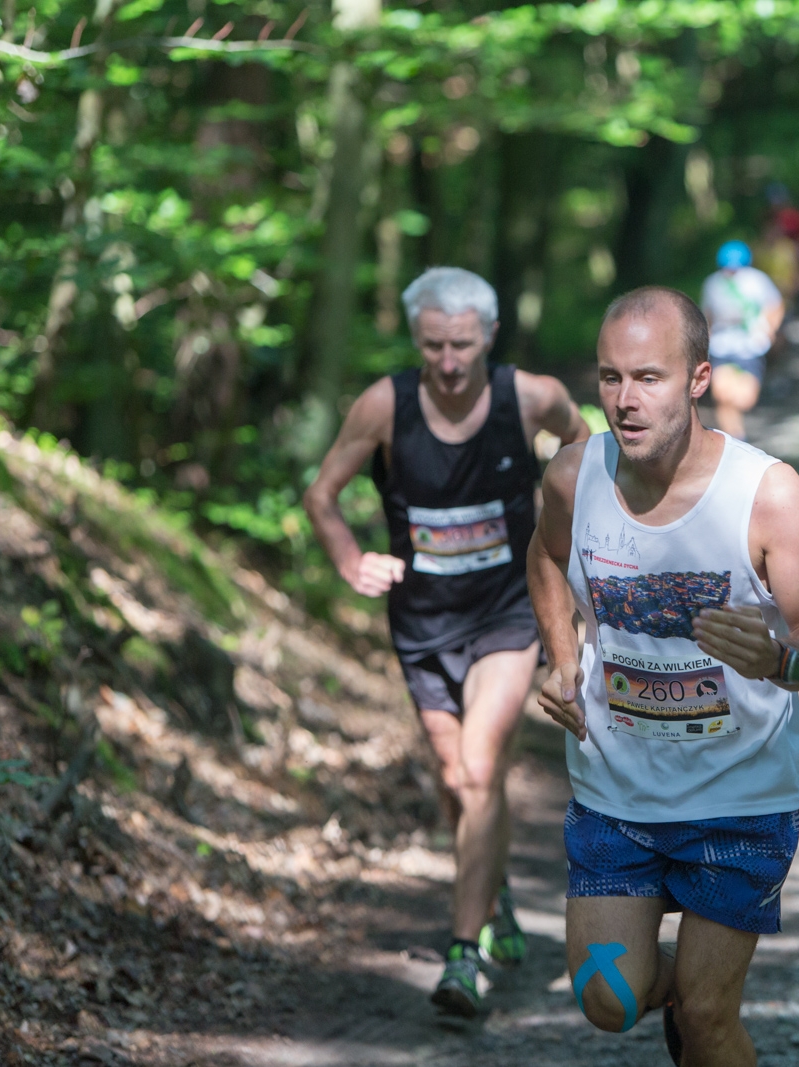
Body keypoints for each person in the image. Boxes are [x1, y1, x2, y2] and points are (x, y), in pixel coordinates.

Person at [527, 286, 799, 1066]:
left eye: (648, 377)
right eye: (608, 379)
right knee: (609, 998)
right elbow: (544, 556)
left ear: (699, 377)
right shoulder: (574, 475)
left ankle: (700, 1010)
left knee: (704, 1016)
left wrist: (778, 659)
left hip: (739, 800)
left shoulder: (767, 494)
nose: (624, 402)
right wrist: (562, 656)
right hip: (615, 794)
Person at [303, 267, 591, 1017]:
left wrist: (568, 534)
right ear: (416, 341)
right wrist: (349, 558)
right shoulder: (384, 405)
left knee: (478, 764)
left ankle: (463, 956)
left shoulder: (530, 396)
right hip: (423, 620)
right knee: (451, 775)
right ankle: (490, 893)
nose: (450, 361)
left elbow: (585, 449)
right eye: (434, 345)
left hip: (507, 611)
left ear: (488, 337)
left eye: (462, 344)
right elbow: (322, 493)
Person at [701, 241, 785, 442]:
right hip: (722, 347)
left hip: (751, 347)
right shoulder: (712, 284)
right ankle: (736, 439)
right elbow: (708, 316)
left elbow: (776, 306)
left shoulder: (758, 281)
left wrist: (769, 331)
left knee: (744, 398)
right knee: (722, 395)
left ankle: (735, 436)